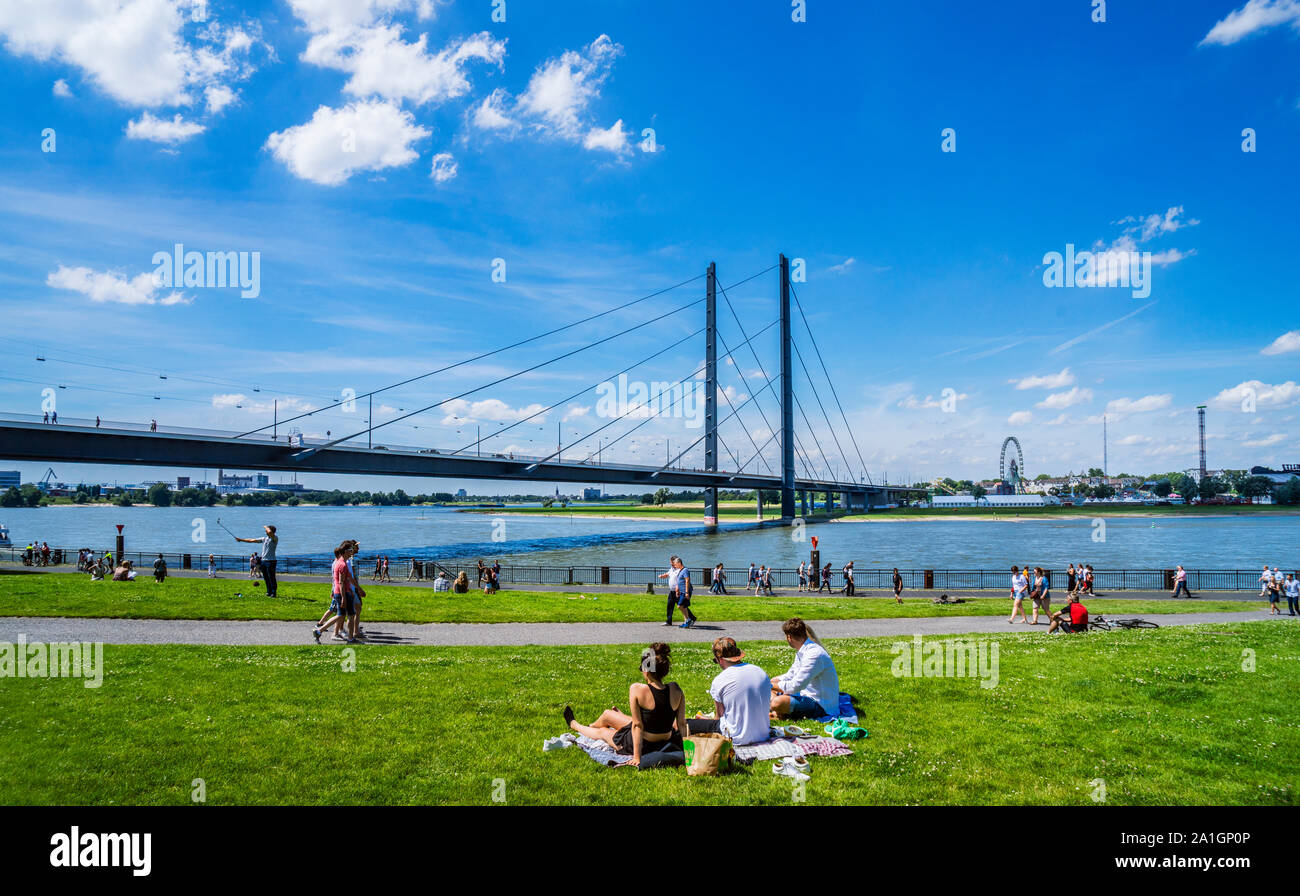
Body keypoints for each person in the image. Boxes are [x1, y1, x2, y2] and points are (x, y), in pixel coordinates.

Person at [562, 643, 687, 769]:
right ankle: (591, 726)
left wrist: (637, 757)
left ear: (646, 671)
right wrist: (689, 752)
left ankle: (575, 725)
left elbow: (637, 726)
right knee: (607, 714)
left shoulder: (637, 689)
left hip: (643, 745)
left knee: (603, 732)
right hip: (664, 740)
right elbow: (682, 724)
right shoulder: (675, 689)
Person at [685, 638, 772, 747]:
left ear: (720, 659)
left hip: (733, 737)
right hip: (763, 735)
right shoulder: (760, 672)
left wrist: (708, 720)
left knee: (682, 724)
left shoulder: (720, 680)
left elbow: (719, 718)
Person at [770, 618, 840, 719]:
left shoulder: (814, 654)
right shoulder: (803, 651)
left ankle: (779, 711)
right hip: (804, 693)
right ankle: (780, 712)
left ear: (789, 637)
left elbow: (795, 686)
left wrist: (769, 685)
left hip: (820, 703)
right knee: (772, 685)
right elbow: (791, 675)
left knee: (777, 702)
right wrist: (772, 682)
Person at [314, 545, 355, 643]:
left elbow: (349, 578)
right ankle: (350, 638)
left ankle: (319, 631)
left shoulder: (341, 562)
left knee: (340, 615)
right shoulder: (342, 564)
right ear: (345, 552)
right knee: (351, 615)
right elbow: (341, 582)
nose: (352, 552)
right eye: (350, 550)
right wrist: (344, 598)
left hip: (342, 592)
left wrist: (356, 589)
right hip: (342, 593)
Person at [236, 525, 278, 598]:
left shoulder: (275, 538)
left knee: (271, 578)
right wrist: (241, 539)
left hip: (271, 561)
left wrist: (265, 527)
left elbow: (270, 532)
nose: (265, 531)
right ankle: (269, 592)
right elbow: (252, 540)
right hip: (263, 561)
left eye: (266, 530)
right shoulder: (264, 539)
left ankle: (273, 593)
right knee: (266, 578)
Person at [657, 555, 697, 628]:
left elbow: (686, 580)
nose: (671, 564)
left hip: (679, 591)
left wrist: (684, 591)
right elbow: (668, 574)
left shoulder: (681, 570)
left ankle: (690, 619)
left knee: (682, 606)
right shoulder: (673, 569)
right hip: (673, 591)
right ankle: (669, 621)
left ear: (676, 562)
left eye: (672, 562)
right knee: (671, 605)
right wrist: (662, 576)